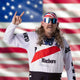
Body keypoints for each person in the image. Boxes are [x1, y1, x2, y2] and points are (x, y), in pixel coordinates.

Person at [3, 11, 76, 80]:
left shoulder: (63, 42)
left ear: (57, 25)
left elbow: (69, 65)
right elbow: (7, 39)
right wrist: (13, 25)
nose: (50, 23)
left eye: (53, 21)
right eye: (47, 20)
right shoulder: (31, 37)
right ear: (42, 23)